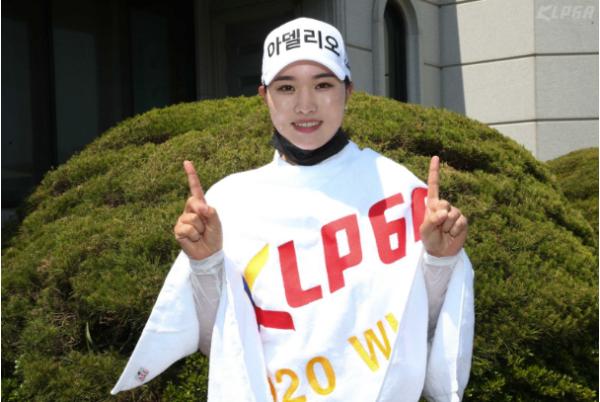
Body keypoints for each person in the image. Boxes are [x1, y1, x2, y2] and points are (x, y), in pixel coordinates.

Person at [112, 17, 474, 402]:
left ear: (348, 90)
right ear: (264, 95)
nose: (305, 105)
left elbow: (423, 328)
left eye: (323, 85)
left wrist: (440, 260)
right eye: (286, 87)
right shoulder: (231, 202)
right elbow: (215, 344)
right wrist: (205, 263)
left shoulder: (398, 188)